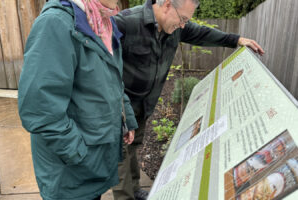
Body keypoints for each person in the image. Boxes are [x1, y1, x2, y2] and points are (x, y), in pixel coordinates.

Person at [112, 0, 265, 199]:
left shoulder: (175, 27)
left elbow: (203, 33)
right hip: (120, 107)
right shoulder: (125, 23)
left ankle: (134, 189)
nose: (184, 25)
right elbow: (106, 68)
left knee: (133, 148)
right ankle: (125, 196)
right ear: (167, 5)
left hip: (144, 105)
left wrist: (236, 40)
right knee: (121, 156)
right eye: (183, 19)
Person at [18, 0, 138, 199]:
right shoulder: (56, 24)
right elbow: (39, 108)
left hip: (93, 164)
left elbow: (113, 81)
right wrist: (77, 153)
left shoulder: (104, 21)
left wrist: (126, 119)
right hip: (71, 172)